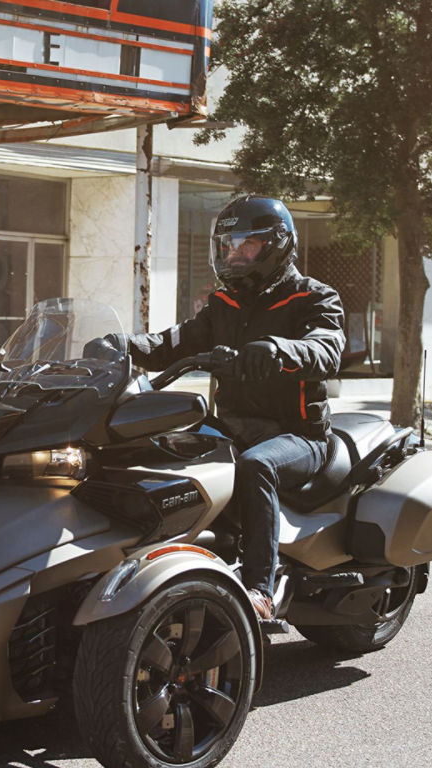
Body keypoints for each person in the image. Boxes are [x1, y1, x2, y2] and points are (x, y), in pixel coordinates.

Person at [102, 195, 345, 620]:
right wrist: (122, 346)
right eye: (227, 245)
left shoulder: (313, 297)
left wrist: (277, 349)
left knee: (256, 466)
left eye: (246, 245)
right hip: (231, 427)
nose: (234, 254)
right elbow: (172, 342)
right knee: (156, 449)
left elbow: (327, 349)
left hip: (298, 434)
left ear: (277, 244)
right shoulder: (224, 304)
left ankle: (259, 589)